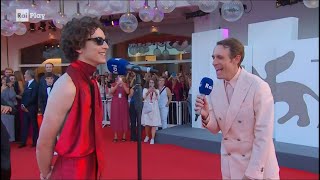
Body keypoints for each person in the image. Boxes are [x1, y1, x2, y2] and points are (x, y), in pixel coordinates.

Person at [195, 38, 279, 179]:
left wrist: (252, 174)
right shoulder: (215, 88)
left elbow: (263, 136)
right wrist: (206, 115)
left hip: (258, 170)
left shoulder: (258, 87)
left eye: (220, 57)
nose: (214, 62)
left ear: (236, 58)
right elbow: (217, 129)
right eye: (213, 57)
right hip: (230, 167)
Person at [36, 16, 109, 179]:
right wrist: (46, 174)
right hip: (71, 172)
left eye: (105, 40)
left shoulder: (92, 82)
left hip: (92, 166)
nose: (106, 46)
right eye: (98, 41)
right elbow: (45, 141)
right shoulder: (66, 85)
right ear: (78, 46)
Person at [20, 69, 39, 148]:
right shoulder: (26, 84)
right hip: (25, 108)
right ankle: (23, 142)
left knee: (34, 125)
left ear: (29, 75)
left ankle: (35, 142)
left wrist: (25, 105)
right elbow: (24, 96)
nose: (24, 75)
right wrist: (22, 105)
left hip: (31, 108)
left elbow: (34, 97)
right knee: (25, 125)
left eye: (25, 74)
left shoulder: (35, 84)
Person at [141, 78, 161, 144]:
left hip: (154, 108)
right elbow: (143, 97)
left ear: (154, 83)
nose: (151, 84)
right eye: (150, 82)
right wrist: (148, 92)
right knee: (147, 123)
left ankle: (152, 138)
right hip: (147, 107)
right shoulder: (145, 89)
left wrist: (155, 91)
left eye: (152, 82)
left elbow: (159, 98)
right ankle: (147, 136)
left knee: (154, 124)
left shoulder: (157, 90)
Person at [110, 75, 130, 142]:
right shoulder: (114, 84)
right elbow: (112, 91)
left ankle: (124, 136)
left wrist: (123, 85)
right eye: (118, 79)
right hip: (115, 102)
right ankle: (115, 136)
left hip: (123, 102)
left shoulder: (126, 84)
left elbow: (127, 92)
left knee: (124, 117)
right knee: (115, 117)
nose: (119, 80)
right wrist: (117, 84)